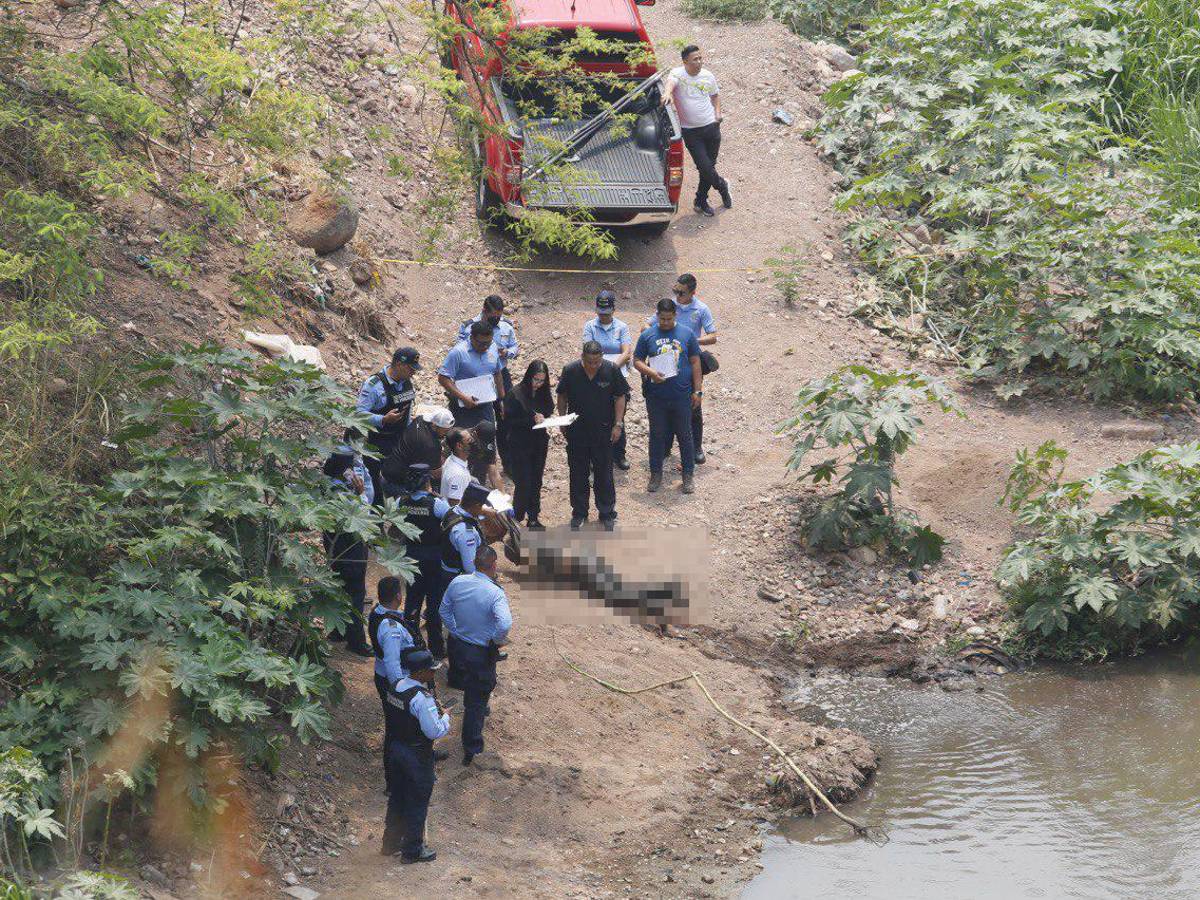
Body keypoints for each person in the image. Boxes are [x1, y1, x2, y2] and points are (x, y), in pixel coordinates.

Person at [439, 545, 512, 765]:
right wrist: (495, 640)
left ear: (474, 563)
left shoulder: (458, 582)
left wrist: (456, 631)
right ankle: (471, 748)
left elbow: (444, 611)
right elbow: (505, 624)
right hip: (480, 652)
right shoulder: (495, 593)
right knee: (476, 701)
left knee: (468, 685)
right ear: (494, 565)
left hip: (458, 647)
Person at [381, 647, 449, 862]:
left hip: (394, 749)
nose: (434, 673)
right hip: (416, 755)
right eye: (431, 670)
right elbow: (434, 731)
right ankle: (412, 850)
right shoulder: (422, 698)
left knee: (397, 797)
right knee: (417, 801)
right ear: (420, 673)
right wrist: (446, 718)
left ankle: (390, 843)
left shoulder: (395, 687)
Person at [557, 341, 629, 530]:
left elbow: (620, 396)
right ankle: (579, 512)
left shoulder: (611, 369)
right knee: (578, 473)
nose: (594, 366)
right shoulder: (570, 370)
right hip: (577, 432)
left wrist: (618, 424)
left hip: (603, 431)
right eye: (589, 362)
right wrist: (562, 420)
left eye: (597, 362)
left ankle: (606, 512)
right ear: (582, 357)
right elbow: (562, 395)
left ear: (602, 358)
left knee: (604, 473)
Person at [634, 298, 702, 495]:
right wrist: (650, 372)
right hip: (656, 397)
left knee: (685, 435)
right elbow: (637, 360)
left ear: (675, 315)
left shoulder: (686, 334)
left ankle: (688, 475)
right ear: (657, 316)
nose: (665, 322)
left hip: (682, 395)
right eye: (662, 319)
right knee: (657, 435)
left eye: (669, 319)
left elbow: (695, 362)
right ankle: (656, 474)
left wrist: (698, 391)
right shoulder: (647, 335)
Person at [649, 274, 717, 464]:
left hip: (690, 362)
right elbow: (647, 324)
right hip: (667, 362)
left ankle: (696, 448)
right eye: (675, 291)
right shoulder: (669, 306)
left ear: (692, 292)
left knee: (694, 405)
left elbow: (713, 336)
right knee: (667, 403)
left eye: (681, 293)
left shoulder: (701, 309)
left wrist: (691, 340)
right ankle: (666, 447)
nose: (677, 296)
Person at [661, 45, 730, 218]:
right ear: (685, 61)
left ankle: (700, 200)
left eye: (700, 58)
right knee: (704, 166)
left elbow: (715, 95)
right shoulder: (677, 74)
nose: (699, 62)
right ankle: (722, 186)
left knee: (709, 167)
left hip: (711, 127)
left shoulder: (708, 76)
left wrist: (718, 113)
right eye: (695, 59)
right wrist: (667, 93)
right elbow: (670, 84)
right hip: (691, 132)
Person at [458, 295, 519, 472]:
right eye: (494, 316)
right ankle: (476, 463)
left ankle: (508, 464)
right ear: (484, 311)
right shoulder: (469, 326)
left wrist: (507, 352)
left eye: (499, 316)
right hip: (476, 377)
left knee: (505, 417)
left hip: (500, 374)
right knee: (477, 419)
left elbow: (515, 348)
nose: (497, 319)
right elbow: (460, 350)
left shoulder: (506, 326)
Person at [322, 449, 374, 656]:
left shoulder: (327, 486)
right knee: (356, 593)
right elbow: (362, 517)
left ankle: (338, 630)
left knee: (339, 587)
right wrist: (361, 494)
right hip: (351, 548)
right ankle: (356, 640)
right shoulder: (346, 494)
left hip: (333, 546)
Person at [399, 465, 451, 659]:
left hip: (410, 558)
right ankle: (436, 648)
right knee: (434, 604)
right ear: (428, 481)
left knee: (412, 601)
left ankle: (411, 645)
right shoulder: (436, 504)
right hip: (433, 560)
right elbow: (452, 520)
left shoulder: (401, 502)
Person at [356, 348, 420, 503]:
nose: (414, 373)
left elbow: (407, 410)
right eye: (411, 369)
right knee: (376, 487)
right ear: (399, 364)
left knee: (401, 484)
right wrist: (382, 419)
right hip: (376, 444)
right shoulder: (374, 385)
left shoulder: (407, 383)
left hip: (399, 442)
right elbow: (358, 415)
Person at [369, 576, 414, 791]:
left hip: (384, 677)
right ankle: (394, 781)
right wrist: (401, 691)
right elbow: (393, 663)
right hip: (394, 681)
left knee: (402, 727)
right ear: (398, 596)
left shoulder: (377, 613)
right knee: (396, 730)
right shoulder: (391, 627)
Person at [583, 290, 633, 470]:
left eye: (607, 313)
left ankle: (619, 455)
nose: (603, 316)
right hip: (595, 376)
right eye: (601, 313)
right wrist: (602, 370)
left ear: (613, 310)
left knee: (618, 417)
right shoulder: (590, 326)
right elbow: (588, 351)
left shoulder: (622, 327)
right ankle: (596, 456)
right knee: (596, 417)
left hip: (617, 376)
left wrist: (611, 369)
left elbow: (626, 352)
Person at [503, 360, 553, 529]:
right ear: (529, 376)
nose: (538, 384)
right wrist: (531, 419)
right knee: (523, 482)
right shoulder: (515, 394)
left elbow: (549, 408)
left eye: (542, 381)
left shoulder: (543, 392)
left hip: (538, 442)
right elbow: (509, 421)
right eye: (536, 380)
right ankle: (517, 518)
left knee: (536, 480)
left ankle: (533, 517)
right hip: (520, 444)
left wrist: (543, 416)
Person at [438, 320, 504, 430]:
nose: (485, 347)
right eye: (481, 343)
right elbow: (443, 378)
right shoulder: (458, 352)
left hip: (486, 405)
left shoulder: (492, 347)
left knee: (488, 437)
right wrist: (463, 398)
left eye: (488, 342)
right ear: (472, 337)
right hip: (464, 407)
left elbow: (497, 373)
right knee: (466, 439)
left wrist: (502, 399)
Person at [380, 407, 454, 488]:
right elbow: (435, 474)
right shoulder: (431, 446)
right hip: (397, 482)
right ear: (434, 425)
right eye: (445, 431)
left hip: (388, 467)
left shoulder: (420, 419)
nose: (447, 433)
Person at [466, 420, 503, 490]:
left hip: (477, 480)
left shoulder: (489, 443)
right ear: (475, 434)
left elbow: (493, 472)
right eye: (482, 442)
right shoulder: (460, 440)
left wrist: (501, 494)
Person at [440, 428, 473, 504]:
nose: (473, 442)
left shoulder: (451, 458)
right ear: (459, 446)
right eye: (469, 440)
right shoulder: (458, 474)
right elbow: (454, 505)